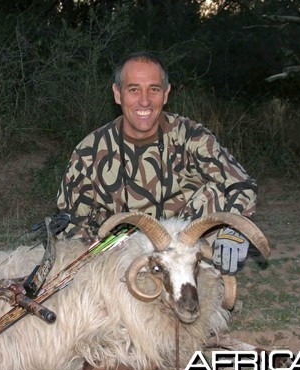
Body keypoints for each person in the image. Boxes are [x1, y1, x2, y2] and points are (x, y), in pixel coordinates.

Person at [56, 51, 257, 276]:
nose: (144, 101)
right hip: (121, 255)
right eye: (133, 90)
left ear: (166, 93)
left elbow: (241, 183)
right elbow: (71, 224)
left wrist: (233, 229)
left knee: (218, 190)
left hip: (183, 248)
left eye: (154, 89)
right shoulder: (88, 151)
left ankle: (205, 278)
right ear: (117, 94)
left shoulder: (192, 136)